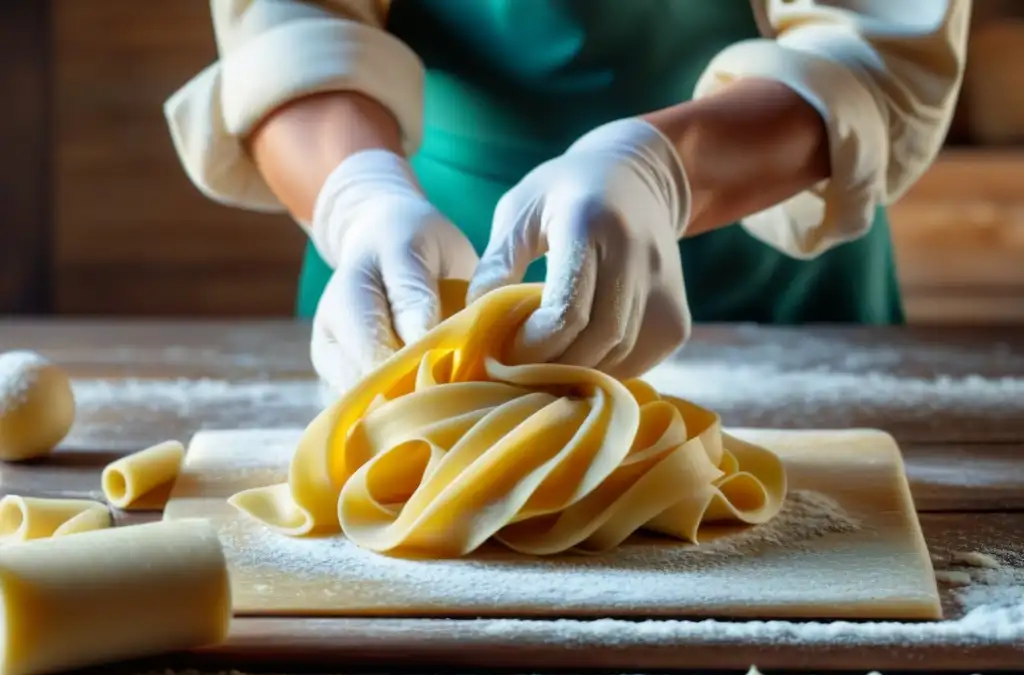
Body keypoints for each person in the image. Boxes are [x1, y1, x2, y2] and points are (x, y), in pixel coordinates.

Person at [165, 0, 971, 394]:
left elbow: (875, 59)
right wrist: (358, 198)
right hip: (409, 283)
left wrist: (659, 170)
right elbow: (288, 35)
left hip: (774, 293)